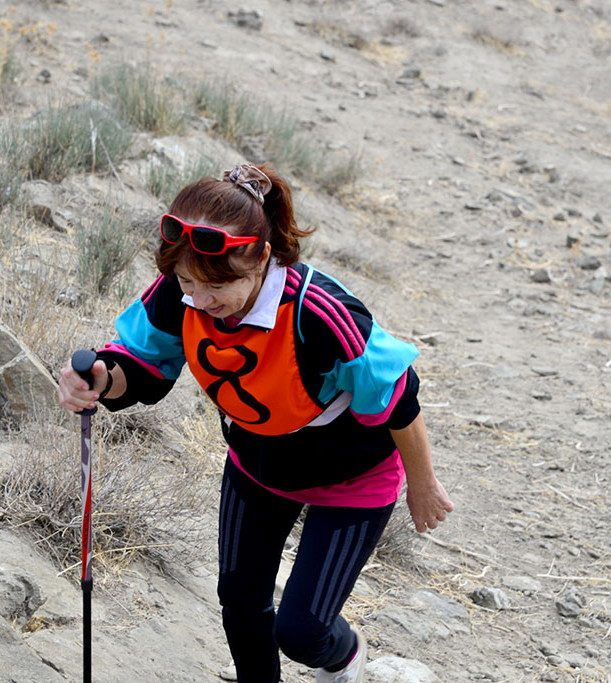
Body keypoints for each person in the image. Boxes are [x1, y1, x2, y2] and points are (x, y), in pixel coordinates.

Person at [57, 163, 454, 683]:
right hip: (258, 463)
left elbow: (397, 395)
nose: (200, 301)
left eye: (217, 286)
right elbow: (142, 362)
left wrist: (422, 483)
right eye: (187, 282)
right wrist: (100, 380)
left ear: (262, 258)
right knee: (241, 600)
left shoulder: (320, 313)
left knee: (302, 633)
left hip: (353, 477)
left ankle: (344, 655)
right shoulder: (181, 293)